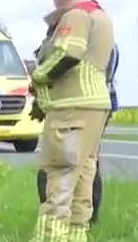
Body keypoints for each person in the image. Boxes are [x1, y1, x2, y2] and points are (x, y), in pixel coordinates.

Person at [29, 0, 115, 242]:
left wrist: (39, 76)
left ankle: (51, 239)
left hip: (71, 106)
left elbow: (68, 54)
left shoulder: (75, 16)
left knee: (59, 170)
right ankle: (77, 234)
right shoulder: (102, 17)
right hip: (96, 104)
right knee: (84, 171)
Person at [35, 40, 113, 227]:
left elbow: (54, 65)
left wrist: (39, 76)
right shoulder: (99, 38)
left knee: (64, 165)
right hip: (92, 104)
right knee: (86, 165)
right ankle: (80, 220)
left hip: (74, 106)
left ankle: (61, 223)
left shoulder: (76, 36)